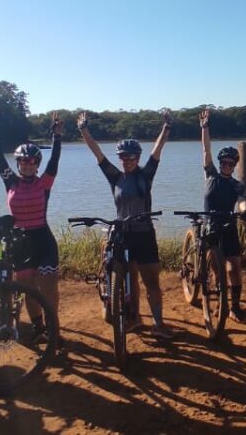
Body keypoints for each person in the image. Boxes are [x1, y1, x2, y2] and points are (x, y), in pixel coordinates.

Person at [79, 109, 174, 338]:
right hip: (123, 235)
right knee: (129, 279)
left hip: (144, 233)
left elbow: (157, 151)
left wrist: (166, 127)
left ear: (137, 158)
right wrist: (84, 130)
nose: (126, 161)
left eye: (130, 157)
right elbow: (98, 154)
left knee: (151, 281)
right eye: (122, 157)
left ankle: (159, 324)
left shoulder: (146, 174)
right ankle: (134, 318)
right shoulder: (115, 177)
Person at [0, 107, 64, 345]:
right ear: (18, 164)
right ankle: (38, 326)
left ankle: (54, 328)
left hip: (43, 239)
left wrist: (57, 136)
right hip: (20, 241)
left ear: (37, 164)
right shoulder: (10, 181)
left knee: (48, 289)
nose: (28, 165)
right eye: (23, 162)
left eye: (32, 161)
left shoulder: (45, 182)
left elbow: (55, 160)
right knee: (28, 287)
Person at [198, 108, 246, 321]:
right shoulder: (211, 175)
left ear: (235, 165)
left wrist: (245, 211)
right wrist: (205, 128)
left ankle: (235, 307)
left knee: (234, 266)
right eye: (224, 163)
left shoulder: (237, 185)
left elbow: (241, 201)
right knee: (216, 270)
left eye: (231, 163)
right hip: (211, 225)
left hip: (228, 225)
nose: (227, 166)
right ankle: (220, 301)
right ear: (220, 164)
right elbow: (205, 151)